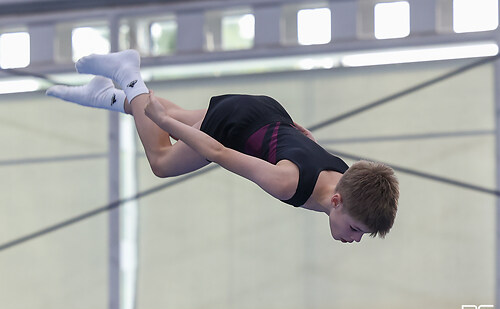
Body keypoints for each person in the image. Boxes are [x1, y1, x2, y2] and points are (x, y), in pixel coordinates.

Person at [46, 49, 399, 244]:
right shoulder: (287, 182)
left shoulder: (343, 177)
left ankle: (105, 96)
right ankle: (128, 76)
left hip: (268, 114)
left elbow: (306, 142)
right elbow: (218, 153)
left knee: (176, 113)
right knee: (162, 159)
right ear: (337, 200)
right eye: (354, 229)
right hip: (238, 126)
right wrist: (167, 126)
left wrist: (290, 127)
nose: (354, 239)